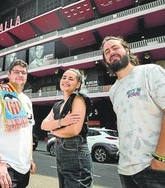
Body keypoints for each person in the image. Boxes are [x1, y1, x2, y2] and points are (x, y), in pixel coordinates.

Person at [101, 36, 165, 187]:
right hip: (125, 170)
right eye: (107, 51)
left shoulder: (150, 71)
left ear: (127, 50)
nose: (111, 52)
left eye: (115, 48)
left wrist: (160, 158)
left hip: (154, 167)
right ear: (106, 60)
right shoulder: (114, 90)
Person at [0, 59, 36, 188]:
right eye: (16, 72)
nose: (20, 75)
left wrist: (30, 159)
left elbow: (28, 132)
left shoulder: (27, 100)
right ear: (9, 74)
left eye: (23, 72)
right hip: (4, 167)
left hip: (23, 168)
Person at [41, 68, 93, 188]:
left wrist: (54, 130)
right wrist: (63, 121)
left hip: (76, 154)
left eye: (71, 78)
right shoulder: (58, 104)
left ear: (78, 84)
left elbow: (74, 130)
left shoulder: (78, 99)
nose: (65, 80)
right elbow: (43, 125)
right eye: (64, 77)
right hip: (61, 154)